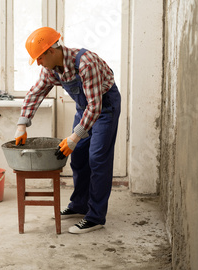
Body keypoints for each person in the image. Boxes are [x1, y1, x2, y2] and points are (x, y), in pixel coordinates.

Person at [14, 27, 121, 234]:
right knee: (78, 156)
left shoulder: (86, 64)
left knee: (97, 158)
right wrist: (22, 124)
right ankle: (80, 204)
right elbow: (35, 93)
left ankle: (95, 216)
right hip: (85, 109)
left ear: (51, 51)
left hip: (104, 107)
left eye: (39, 57)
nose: (38, 63)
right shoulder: (51, 68)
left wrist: (74, 136)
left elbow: (95, 107)